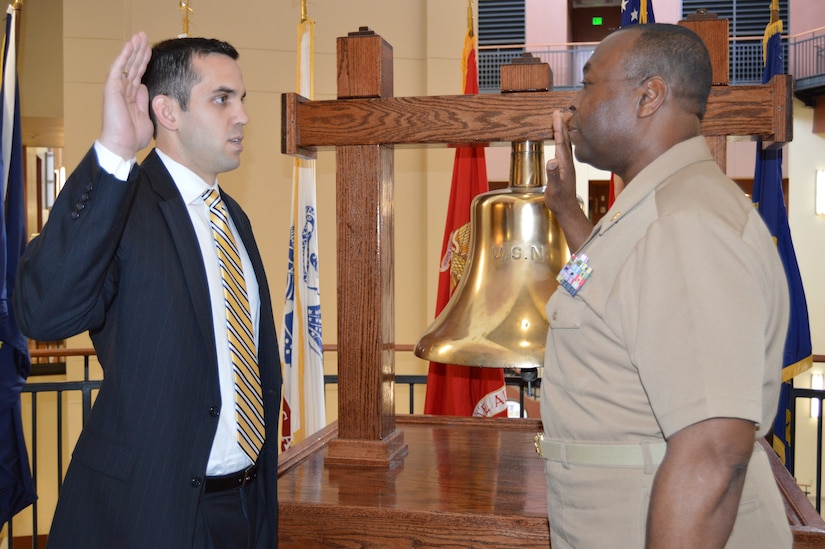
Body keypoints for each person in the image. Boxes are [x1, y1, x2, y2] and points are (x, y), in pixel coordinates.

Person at [13, 32, 281, 548]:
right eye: (222, 98)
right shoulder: (124, 206)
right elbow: (42, 313)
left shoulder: (235, 221)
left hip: (244, 509)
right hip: (146, 515)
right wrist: (114, 150)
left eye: (241, 99)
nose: (242, 115)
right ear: (169, 111)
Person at [537, 23, 792, 548]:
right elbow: (614, 292)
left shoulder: (684, 224)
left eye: (588, 86)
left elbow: (714, 452)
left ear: (649, 95)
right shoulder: (657, 209)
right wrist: (567, 212)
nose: (571, 109)